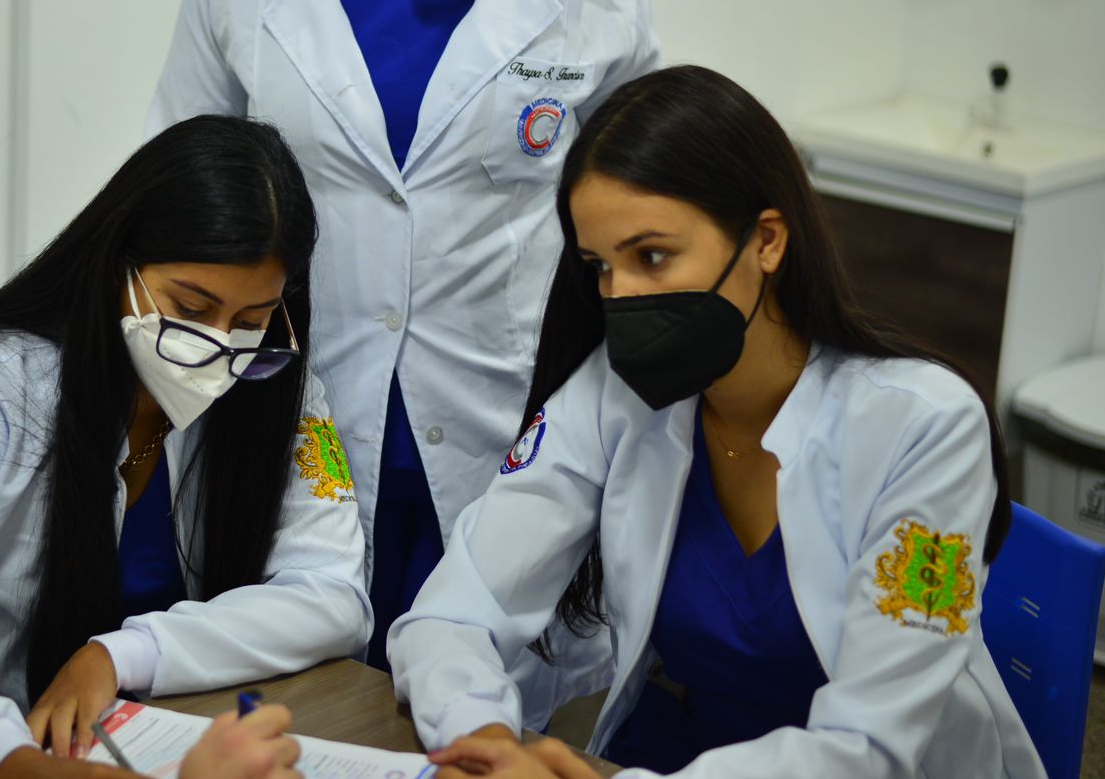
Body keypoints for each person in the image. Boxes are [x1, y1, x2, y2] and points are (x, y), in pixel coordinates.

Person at [146, 0, 661, 671]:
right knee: (298, 701)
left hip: (493, 423)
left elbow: (642, 224)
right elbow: (175, 196)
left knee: (468, 708)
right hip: (288, 405)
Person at [389, 67, 1045, 778]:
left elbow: (871, 749)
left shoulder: (928, 429)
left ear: (766, 241)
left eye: (652, 256)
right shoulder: (618, 394)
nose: (622, 297)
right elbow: (452, 615)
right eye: (599, 267)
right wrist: (481, 738)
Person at [0, 116, 371, 779]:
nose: (220, 346)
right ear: (118, 266)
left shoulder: (281, 388)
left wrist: (120, 654)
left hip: (174, 741)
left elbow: (334, 598)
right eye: (191, 308)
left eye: (250, 322)